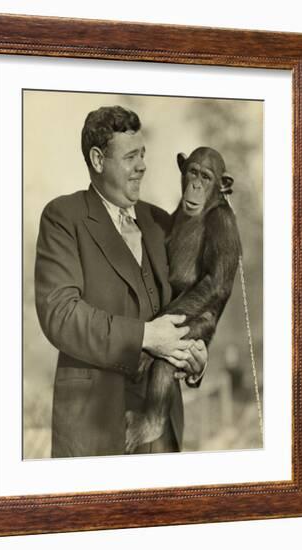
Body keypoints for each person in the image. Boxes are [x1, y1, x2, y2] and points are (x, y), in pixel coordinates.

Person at [35, 105, 207, 457]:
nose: (142, 165)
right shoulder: (63, 217)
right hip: (93, 431)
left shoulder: (160, 221)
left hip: (161, 429)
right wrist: (147, 336)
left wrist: (196, 354)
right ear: (98, 160)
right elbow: (61, 316)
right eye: (130, 156)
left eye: (142, 154)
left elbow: (185, 307)